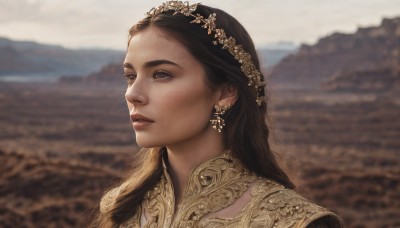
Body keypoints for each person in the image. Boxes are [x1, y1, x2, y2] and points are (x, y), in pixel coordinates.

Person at [94, 1, 343, 227]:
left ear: (225, 92)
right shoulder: (121, 209)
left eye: (161, 74)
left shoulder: (293, 222)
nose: (132, 94)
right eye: (130, 76)